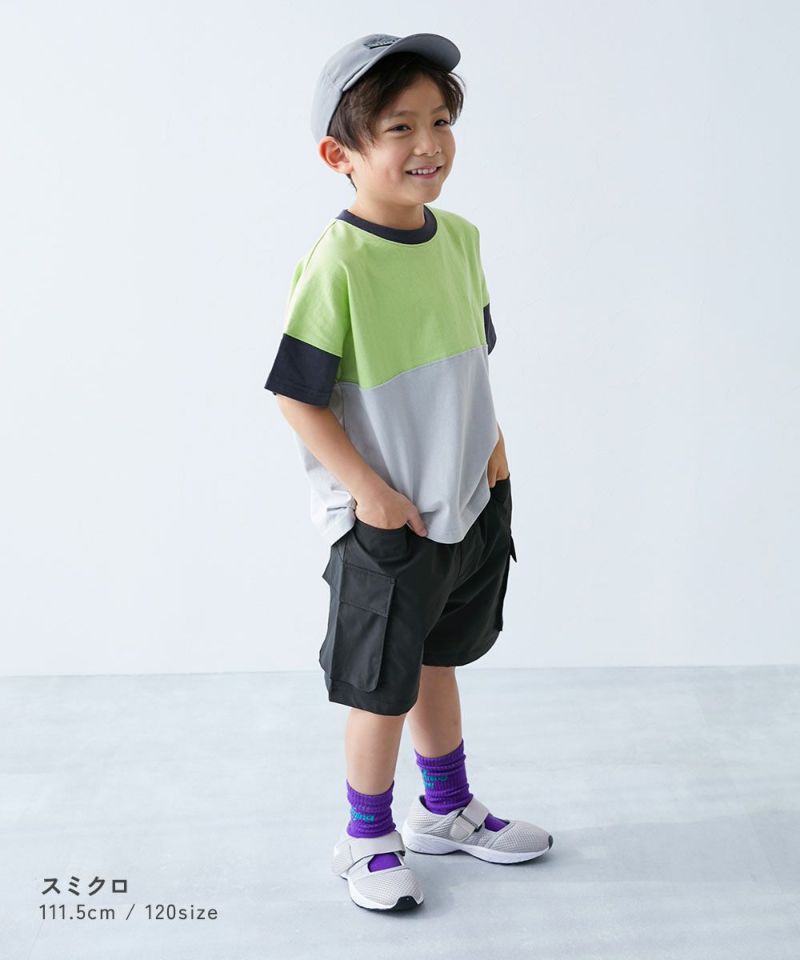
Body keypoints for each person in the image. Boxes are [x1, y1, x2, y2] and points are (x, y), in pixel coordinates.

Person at [264, 32, 553, 912]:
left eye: (439, 121)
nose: (428, 144)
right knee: (382, 686)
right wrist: (372, 494)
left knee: (437, 660)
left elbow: (468, 361)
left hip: (469, 502)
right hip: (389, 522)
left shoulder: (459, 239)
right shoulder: (338, 263)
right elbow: (297, 398)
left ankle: (446, 809)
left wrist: (493, 452)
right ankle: (365, 838)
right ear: (340, 155)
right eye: (399, 127)